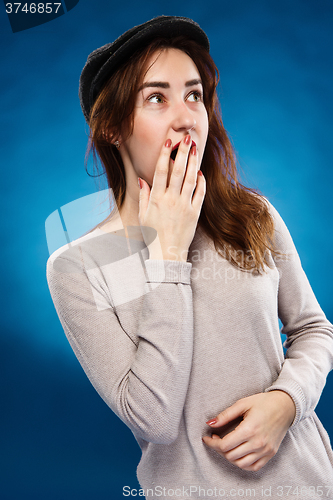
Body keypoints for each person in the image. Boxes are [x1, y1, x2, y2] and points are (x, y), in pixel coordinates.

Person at [47, 15, 333, 499]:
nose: (185, 116)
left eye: (194, 94)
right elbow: (153, 418)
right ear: (113, 127)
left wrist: (288, 400)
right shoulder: (77, 268)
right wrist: (169, 253)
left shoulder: (253, 214)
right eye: (156, 97)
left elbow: (313, 329)